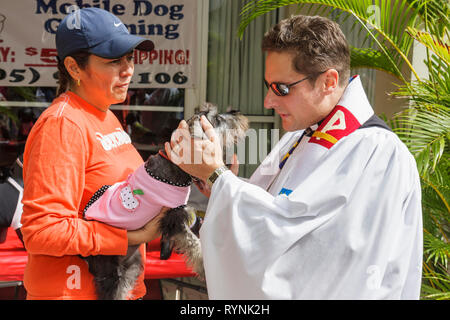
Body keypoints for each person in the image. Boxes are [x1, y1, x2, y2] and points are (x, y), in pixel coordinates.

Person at [166, 15, 423, 299]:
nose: (268, 102)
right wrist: (219, 185)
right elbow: (281, 212)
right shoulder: (300, 134)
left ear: (328, 81)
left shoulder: (379, 155)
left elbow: (319, 262)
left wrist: (219, 176)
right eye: (268, 86)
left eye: (282, 88)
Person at [20, 8, 167, 300]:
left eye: (129, 58)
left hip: (120, 288)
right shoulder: (63, 124)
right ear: (74, 68)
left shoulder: (105, 115)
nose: (127, 69)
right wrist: (130, 238)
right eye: (113, 61)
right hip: (74, 293)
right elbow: (42, 231)